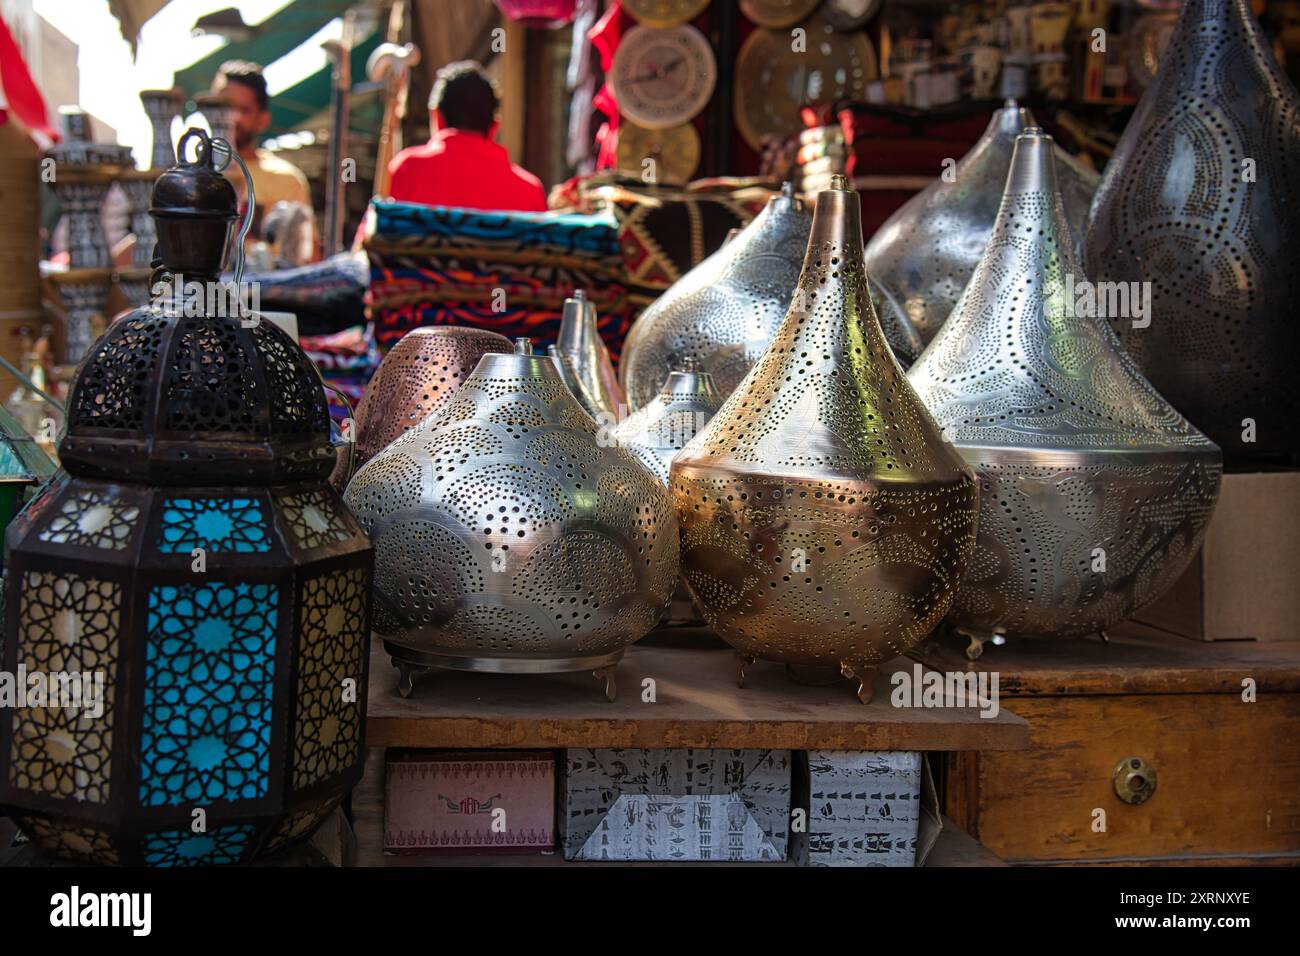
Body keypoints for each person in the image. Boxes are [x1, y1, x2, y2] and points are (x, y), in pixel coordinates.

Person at [387, 60, 547, 212]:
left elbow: (371, 237)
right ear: (495, 126)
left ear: (437, 117)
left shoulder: (407, 169)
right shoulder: (530, 192)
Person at [210, 60, 314, 237]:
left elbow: (304, 255)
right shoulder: (188, 178)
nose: (231, 117)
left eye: (243, 110)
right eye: (223, 106)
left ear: (263, 120)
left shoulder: (286, 180)